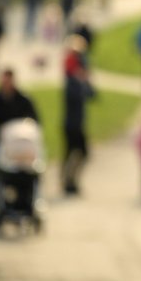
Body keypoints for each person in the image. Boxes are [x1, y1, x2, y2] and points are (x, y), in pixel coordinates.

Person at [0, 68, 40, 228]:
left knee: (28, 178)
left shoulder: (24, 100)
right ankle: (2, 208)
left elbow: (35, 122)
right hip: (4, 147)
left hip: (24, 148)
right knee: (1, 179)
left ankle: (27, 205)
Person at [61, 52, 95, 196]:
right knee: (71, 153)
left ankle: (72, 180)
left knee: (82, 153)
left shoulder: (79, 82)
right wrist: (82, 81)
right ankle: (67, 181)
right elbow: (76, 96)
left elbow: (93, 95)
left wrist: (86, 81)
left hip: (79, 124)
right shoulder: (70, 83)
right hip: (71, 125)